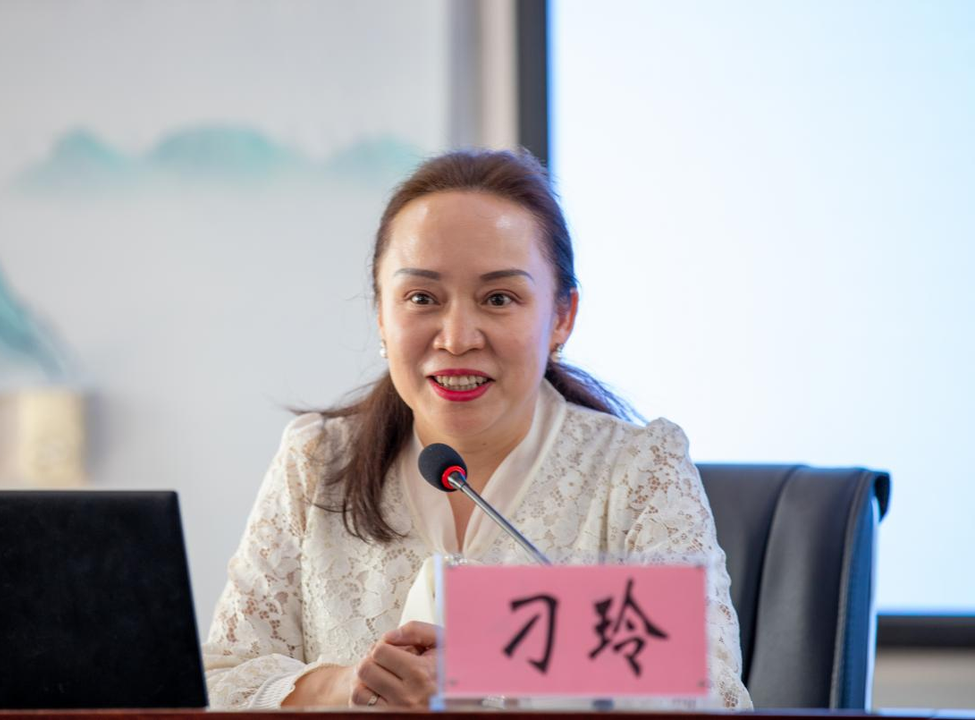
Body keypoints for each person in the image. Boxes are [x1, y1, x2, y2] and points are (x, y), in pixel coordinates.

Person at [202, 149, 753, 710]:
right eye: (422, 298)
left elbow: (712, 697)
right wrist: (354, 686)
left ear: (562, 317)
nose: (458, 337)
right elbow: (217, 681)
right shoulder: (317, 459)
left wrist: (481, 691)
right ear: (381, 315)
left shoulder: (638, 467)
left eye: (498, 298)